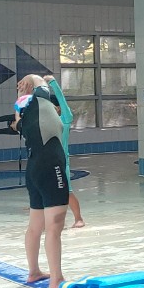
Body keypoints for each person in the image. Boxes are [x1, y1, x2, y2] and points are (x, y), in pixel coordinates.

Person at [15, 75, 68, 288]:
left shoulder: (23, 117)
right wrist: (32, 79)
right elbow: (39, 80)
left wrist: (21, 91)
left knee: (35, 226)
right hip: (51, 169)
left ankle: (34, 271)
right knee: (54, 227)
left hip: (34, 171)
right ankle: (56, 278)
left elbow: (19, 107)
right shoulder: (40, 104)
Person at [44, 74, 84, 228]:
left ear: (58, 109)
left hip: (61, 162)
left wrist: (53, 83)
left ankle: (78, 218)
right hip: (47, 163)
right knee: (47, 192)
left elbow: (62, 101)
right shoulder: (46, 122)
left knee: (67, 192)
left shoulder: (65, 120)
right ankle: (51, 221)